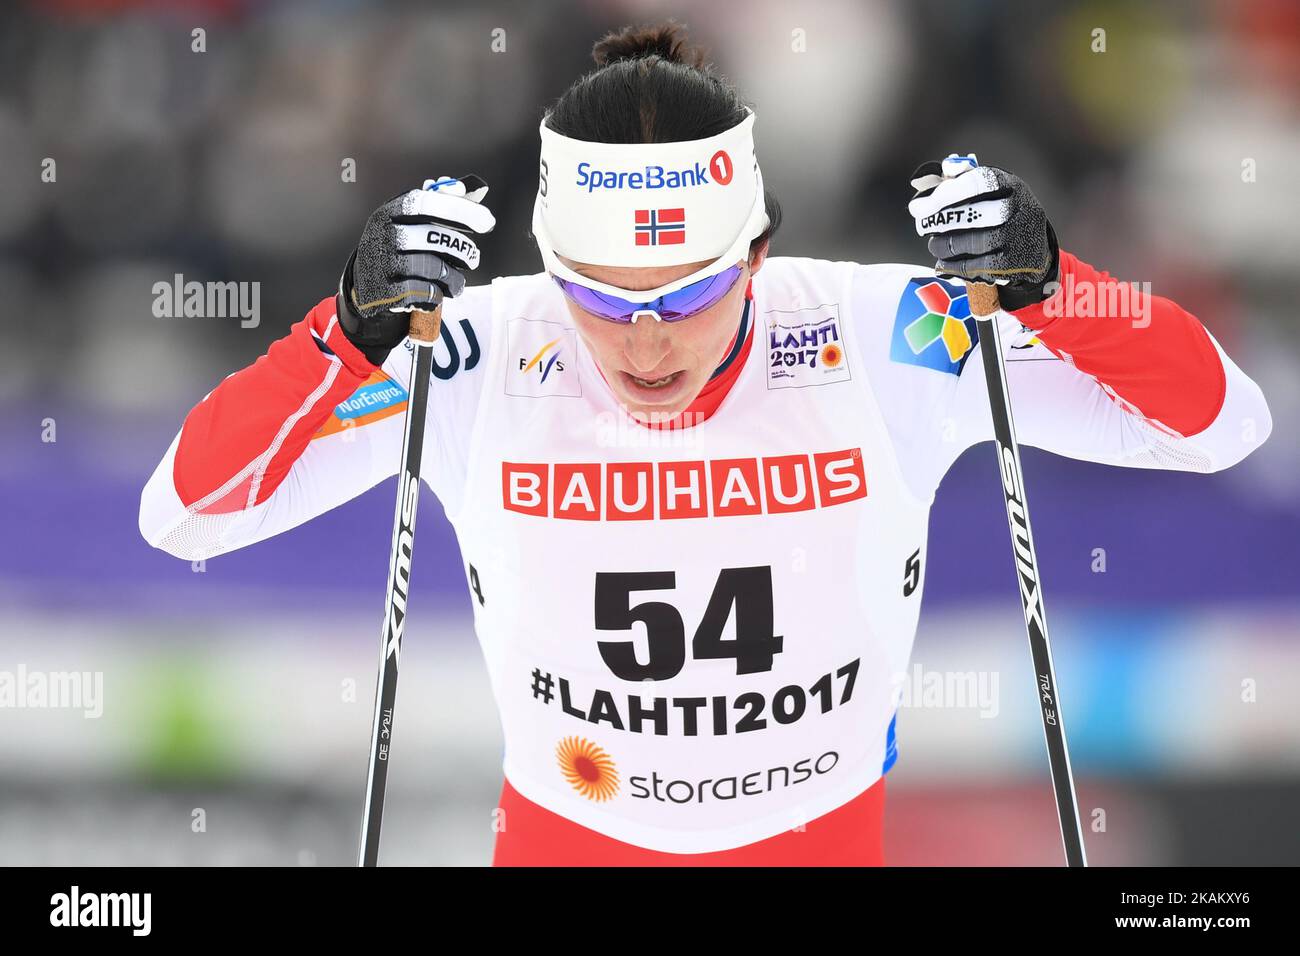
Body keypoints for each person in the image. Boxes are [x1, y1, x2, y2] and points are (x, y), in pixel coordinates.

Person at [139, 21, 1271, 866]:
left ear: (758, 254)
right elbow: (186, 512)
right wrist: (340, 331)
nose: (642, 342)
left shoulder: (884, 332)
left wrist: (1052, 285)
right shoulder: (476, 347)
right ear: (544, 262)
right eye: (598, 295)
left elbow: (1219, 423)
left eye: (686, 295)